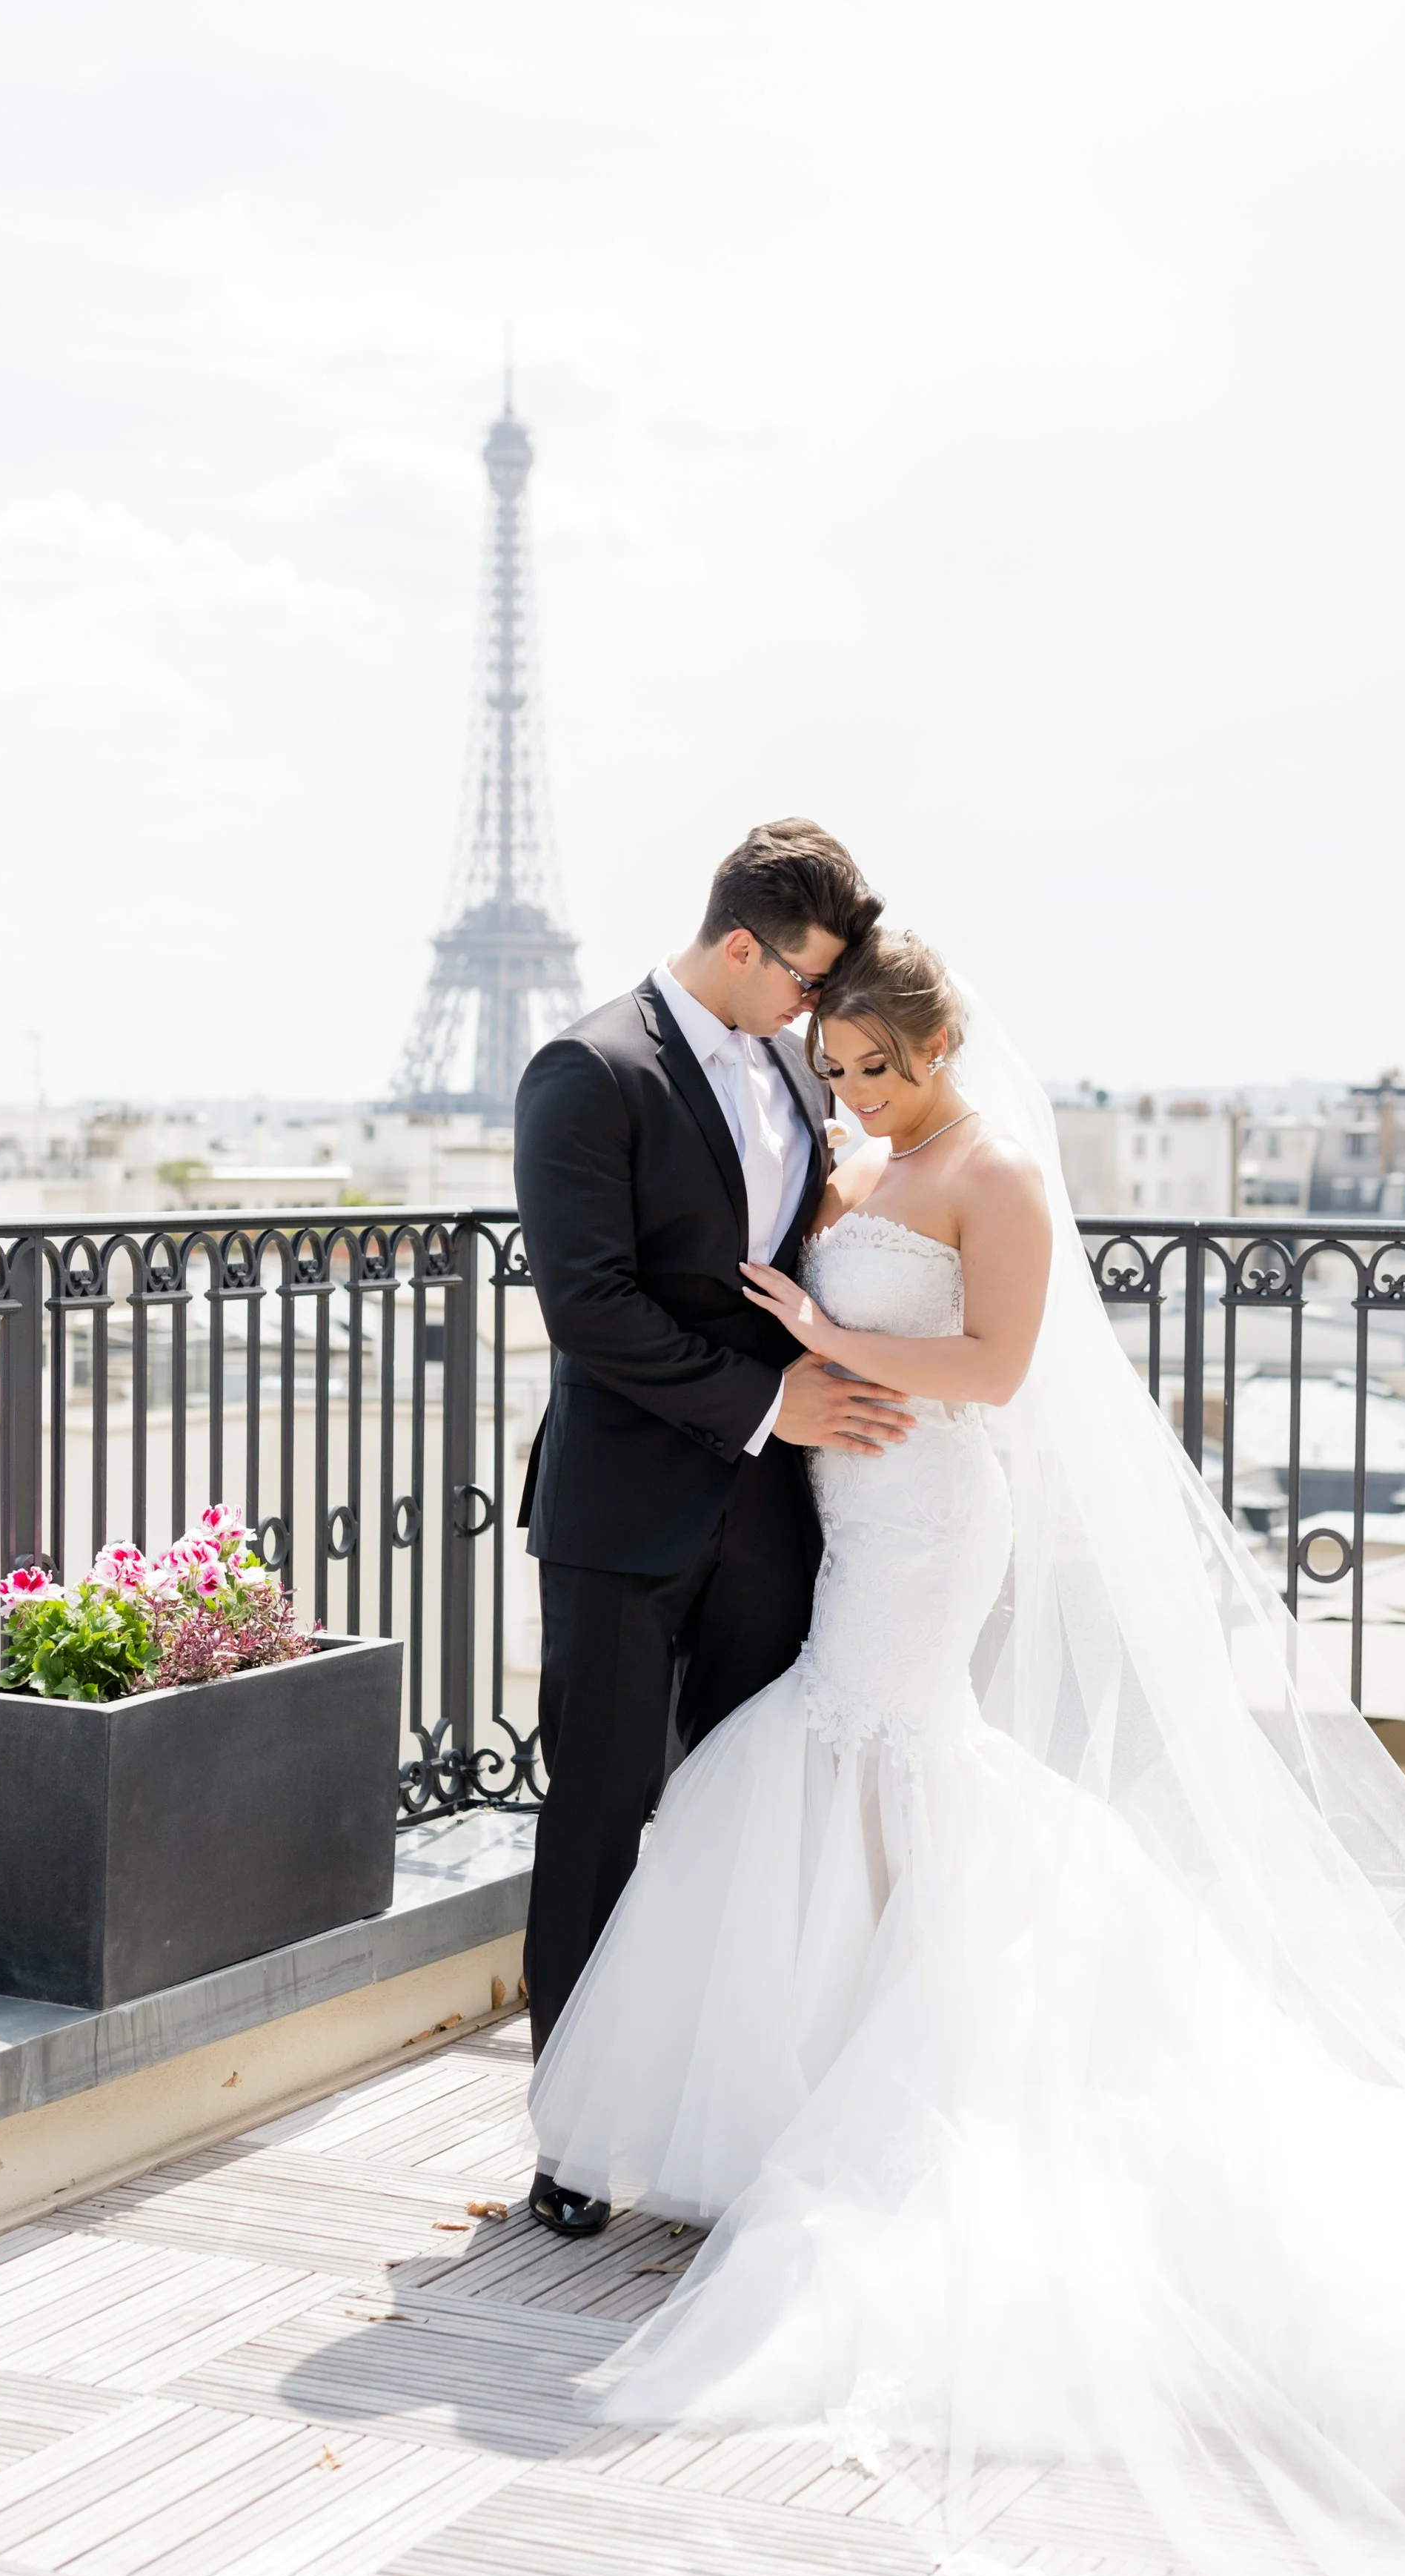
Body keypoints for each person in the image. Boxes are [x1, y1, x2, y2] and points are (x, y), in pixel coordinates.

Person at [528, 927, 1405, 2576]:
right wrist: (797, 1348)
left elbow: (997, 1373)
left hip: (927, 1519)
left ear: (944, 1043)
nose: (855, 1088)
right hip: (845, 1507)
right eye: (842, 1066)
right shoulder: (862, 1158)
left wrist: (829, 1343)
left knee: (873, 1751)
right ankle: (831, 2064)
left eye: (881, 1063)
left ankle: (874, 2077)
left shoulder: (994, 1172)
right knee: (842, 1768)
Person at [511, 818, 914, 2235]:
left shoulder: (799, 1076)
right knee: (603, 1814)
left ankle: (718, 2118)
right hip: (626, 1514)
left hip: (773, 1520)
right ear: (741, 946)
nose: (819, 1011)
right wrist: (770, 1407)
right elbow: (591, 1308)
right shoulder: (587, 1067)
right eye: (805, 980)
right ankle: (569, 2137)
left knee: (752, 1822)